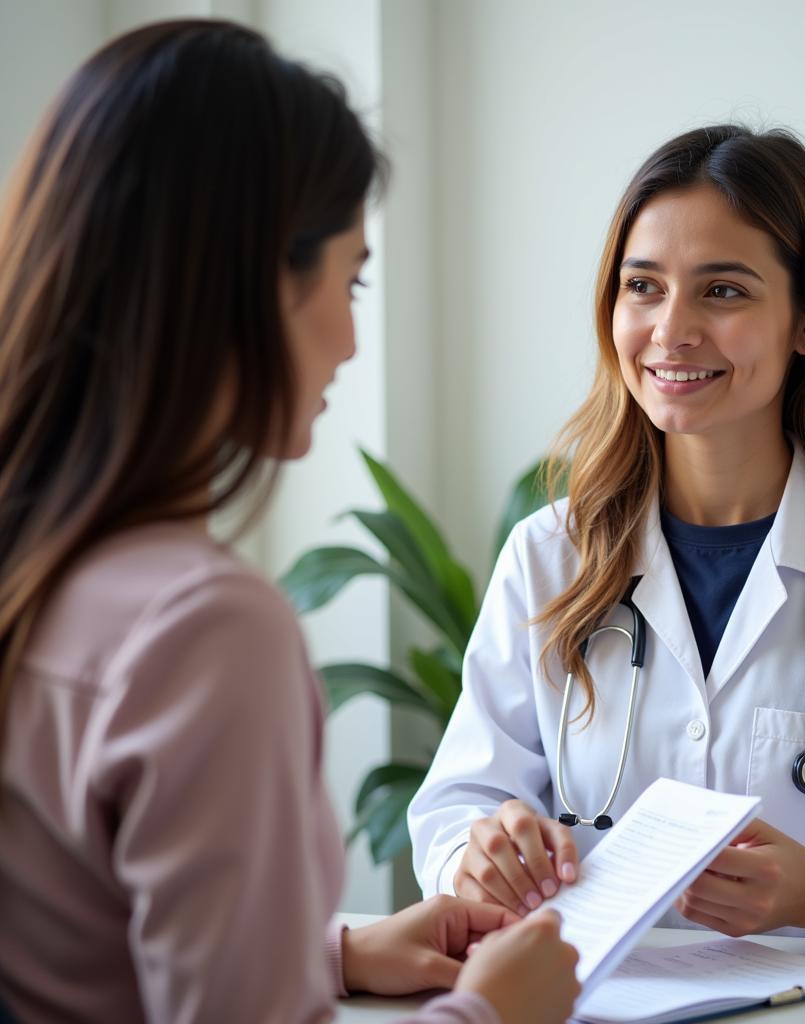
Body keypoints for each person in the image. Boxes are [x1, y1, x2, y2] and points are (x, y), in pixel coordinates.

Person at [0, 19, 580, 1024]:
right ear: (245, 276)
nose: (354, 339)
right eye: (348, 279)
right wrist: (494, 1013)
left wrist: (333, 949)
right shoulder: (201, 627)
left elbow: (72, 945)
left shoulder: (41, 570)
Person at [408, 125, 805, 950]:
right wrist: (475, 858)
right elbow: (454, 811)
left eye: (723, 291)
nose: (672, 329)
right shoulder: (547, 555)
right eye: (643, 287)